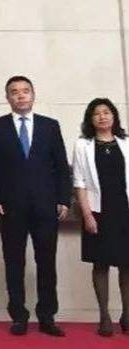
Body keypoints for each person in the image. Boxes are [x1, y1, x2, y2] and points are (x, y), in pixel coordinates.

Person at [0, 75, 71, 336]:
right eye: (14, 92)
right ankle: (18, 316)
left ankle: (47, 316)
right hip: (10, 206)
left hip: (46, 205)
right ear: (7, 97)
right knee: (14, 262)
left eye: (25, 91)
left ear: (33, 95)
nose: (20, 95)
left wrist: (63, 199)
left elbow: (61, 166)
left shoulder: (50, 126)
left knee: (46, 262)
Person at [72, 98, 129, 336]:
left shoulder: (126, 143)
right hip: (97, 211)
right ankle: (104, 316)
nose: (102, 117)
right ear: (90, 119)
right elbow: (80, 182)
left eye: (107, 112)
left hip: (124, 210)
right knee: (101, 263)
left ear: (114, 116)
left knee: (127, 264)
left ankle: (127, 314)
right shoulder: (82, 145)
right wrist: (87, 215)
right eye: (97, 113)